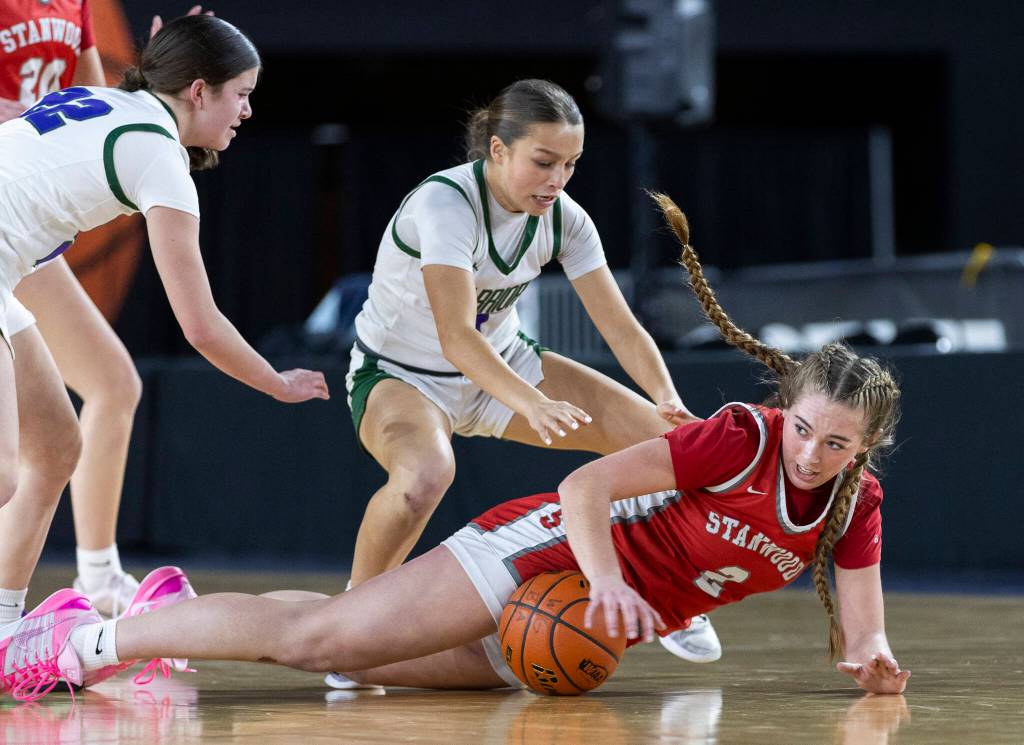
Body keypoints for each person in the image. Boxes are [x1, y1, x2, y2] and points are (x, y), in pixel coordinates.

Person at [0, 194, 910, 701]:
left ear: (867, 447)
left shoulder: (851, 501)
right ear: (782, 409)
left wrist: (868, 660)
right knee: (321, 638)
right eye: (804, 428)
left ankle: (170, 615)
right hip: (541, 553)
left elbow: (860, 618)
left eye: (835, 444)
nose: (809, 453)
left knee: (347, 652)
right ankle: (81, 640)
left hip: (576, 615)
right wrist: (608, 583)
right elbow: (589, 486)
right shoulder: (742, 439)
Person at [341, 78, 718, 674]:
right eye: (543, 162)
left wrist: (667, 397)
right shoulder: (446, 204)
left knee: (668, 449)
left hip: (505, 359)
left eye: (570, 164)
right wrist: (530, 402)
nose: (557, 180)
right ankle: (348, 630)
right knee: (425, 476)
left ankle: (666, 598)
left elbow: (621, 328)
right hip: (404, 374)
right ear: (497, 150)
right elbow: (456, 336)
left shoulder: (565, 218)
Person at [0, 11, 327, 686]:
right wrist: (275, 381)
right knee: (6, 470)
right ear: (199, 91)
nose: (248, 109)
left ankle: (4, 628)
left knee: (56, 444)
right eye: (240, 92)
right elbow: (200, 324)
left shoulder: (109, 101)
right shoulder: (157, 154)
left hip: (8, 267)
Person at [0, 1, 211, 618]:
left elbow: (97, 99)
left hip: (23, 231)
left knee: (110, 386)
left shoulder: (76, 4)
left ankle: (96, 578)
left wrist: (167, 69)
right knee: (11, 465)